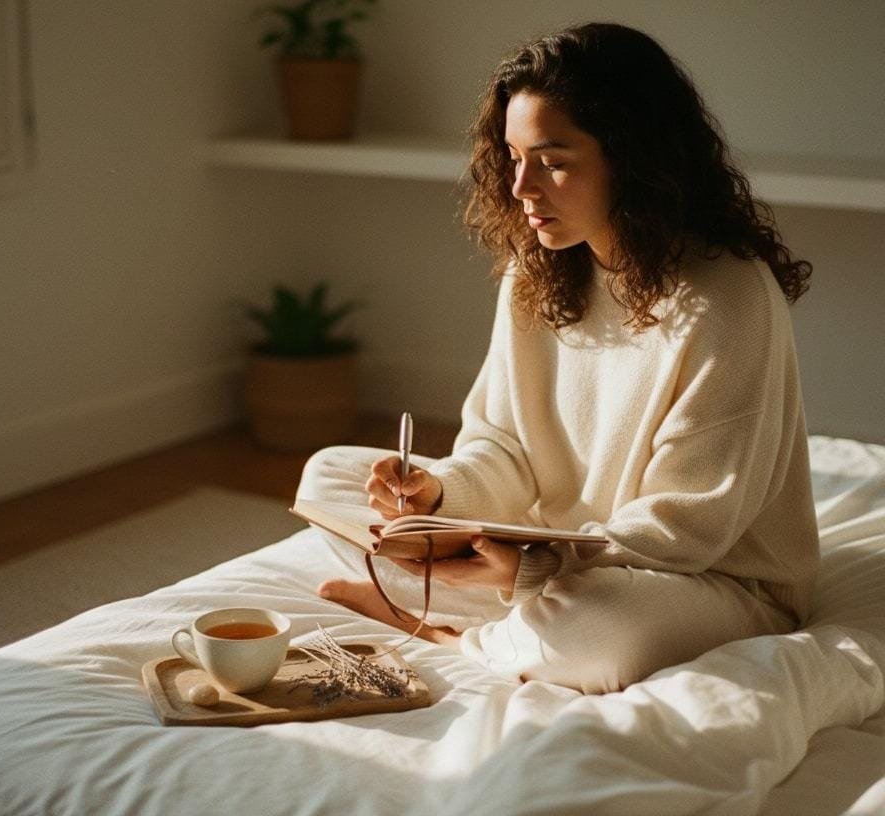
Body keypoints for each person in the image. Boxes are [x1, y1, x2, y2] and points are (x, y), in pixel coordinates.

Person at [297, 22, 820, 694]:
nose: (521, 188)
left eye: (554, 161)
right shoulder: (536, 272)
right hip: (553, 551)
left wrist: (531, 572)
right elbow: (504, 446)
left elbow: (691, 525)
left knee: (600, 627)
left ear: (635, 159)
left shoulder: (726, 296)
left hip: (708, 580)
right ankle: (508, 614)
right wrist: (437, 495)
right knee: (328, 478)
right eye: (513, 158)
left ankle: (449, 633)